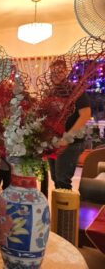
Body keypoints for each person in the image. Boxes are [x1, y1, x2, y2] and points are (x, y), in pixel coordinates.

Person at [48, 59, 91, 189]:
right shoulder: (51, 92)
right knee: (56, 178)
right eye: (53, 72)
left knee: (62, 180)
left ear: (66, 72)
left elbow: (86, 115)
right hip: (54, 142)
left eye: (60, 72)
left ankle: (66, 210)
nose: (56, 75)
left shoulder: (76, 90)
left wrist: (67, 138)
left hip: (71, 142)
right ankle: (58, 209)